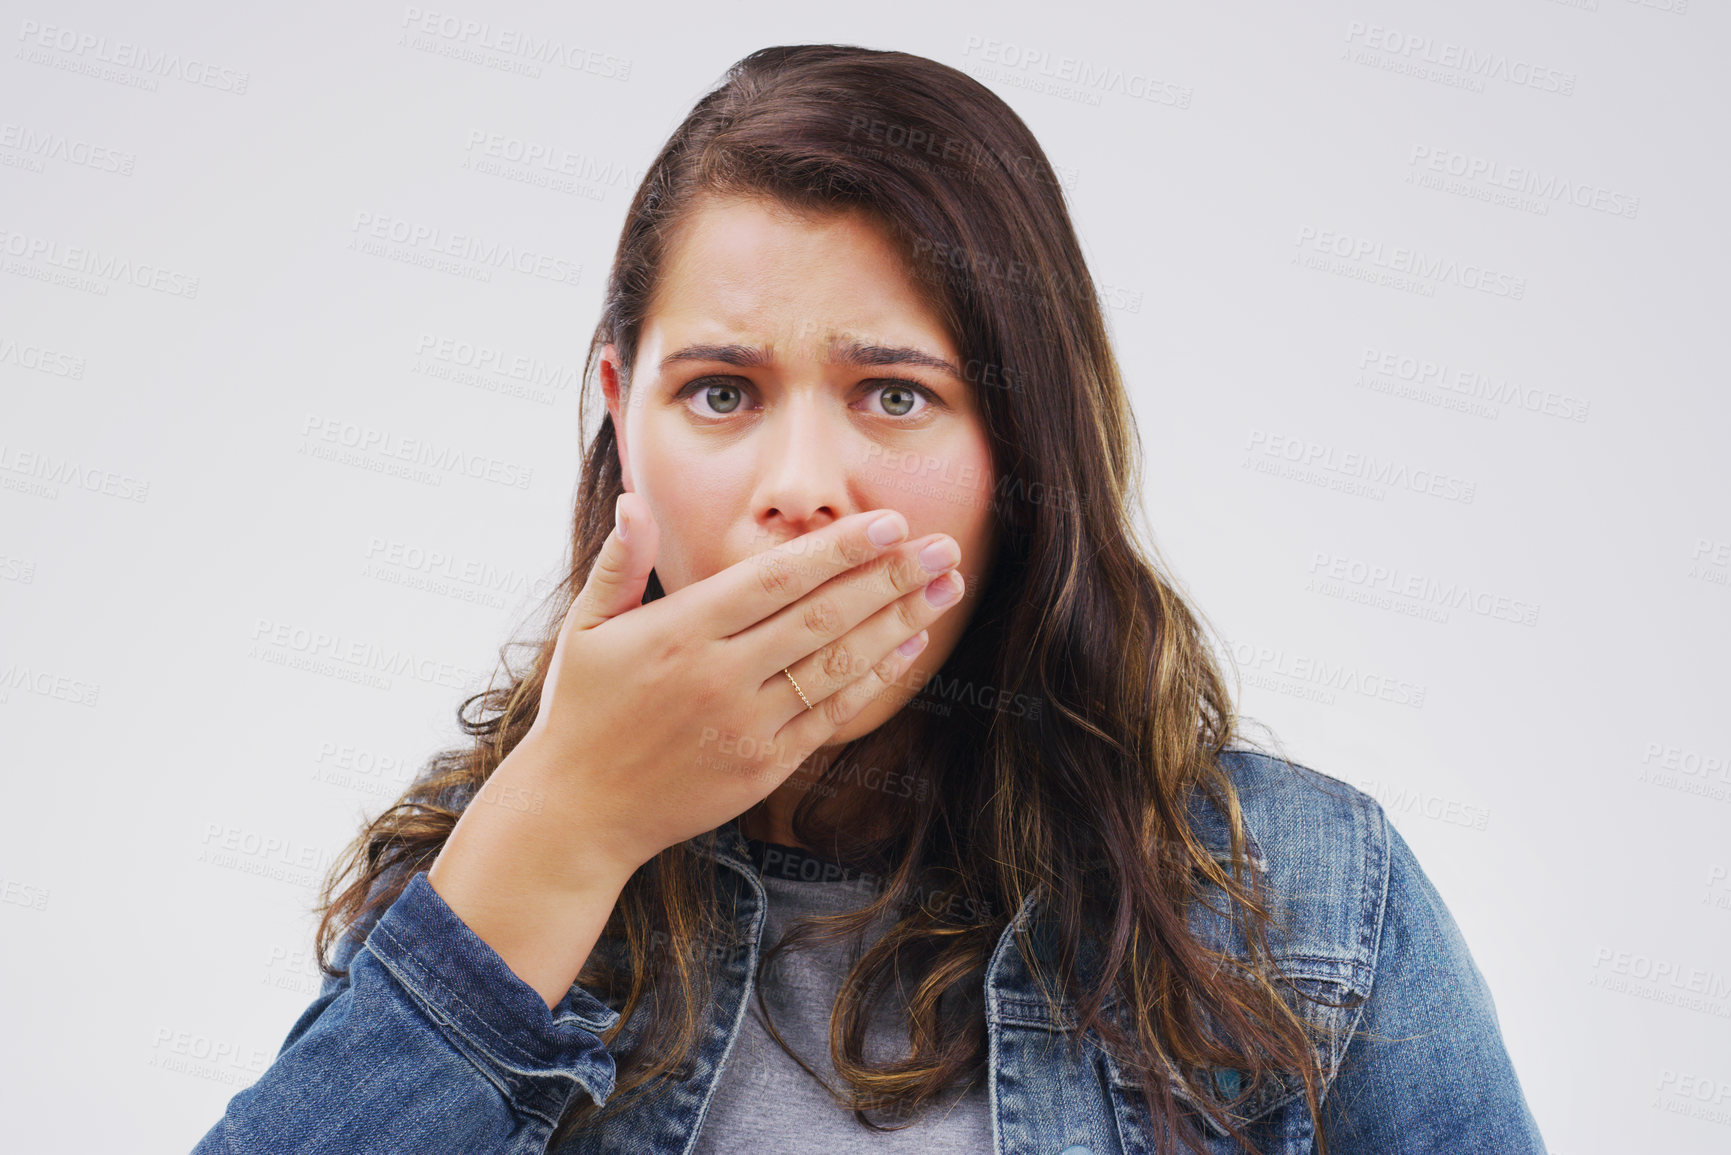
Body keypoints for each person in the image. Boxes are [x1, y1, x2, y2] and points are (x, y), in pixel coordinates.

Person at [189, 44, 1547, 1155]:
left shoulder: (1309, 904)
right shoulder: (494, 870)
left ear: (1025, 444)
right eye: (721, 393)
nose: (801, 489)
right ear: (619, 414)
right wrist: (563, 826)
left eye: (893, 394)